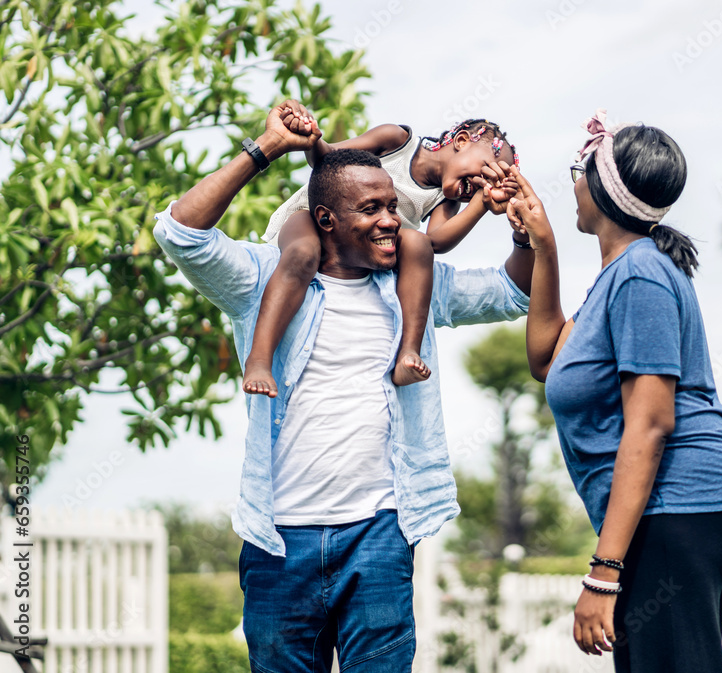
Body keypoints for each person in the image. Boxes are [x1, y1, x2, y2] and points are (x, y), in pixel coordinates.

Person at [151, 101, 537, 672]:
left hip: (380, 534)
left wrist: (525, 234)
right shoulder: (261, 278)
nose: (391, 221)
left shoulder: (415, 287)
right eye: (373, 209)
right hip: (279, 540)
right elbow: (179, 233)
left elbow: (512, 293)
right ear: (328, 219)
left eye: (392, 206)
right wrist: (266, 149)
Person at [506, 109, 722, 671]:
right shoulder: (618, 276)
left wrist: (603, 574)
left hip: (683, 505)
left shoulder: (640, 275)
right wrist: (542, 245)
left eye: (579, 167)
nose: (571, 180)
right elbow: (544, 359)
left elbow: (650, 424)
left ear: (602, 188)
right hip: (687, 509)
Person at [243, 103, 518, 395]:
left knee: (417, 243)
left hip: (363, 247)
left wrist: (482, 203)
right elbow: (328, 158)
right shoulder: (397, 140)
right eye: (485, 171)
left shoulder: (446, 200)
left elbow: (436, 242)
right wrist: (311, 138)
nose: (479, 184)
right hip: (314, 218)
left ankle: (408, 352)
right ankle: (259, 359)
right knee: (303, 253)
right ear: (462, 141)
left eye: (487, 184)